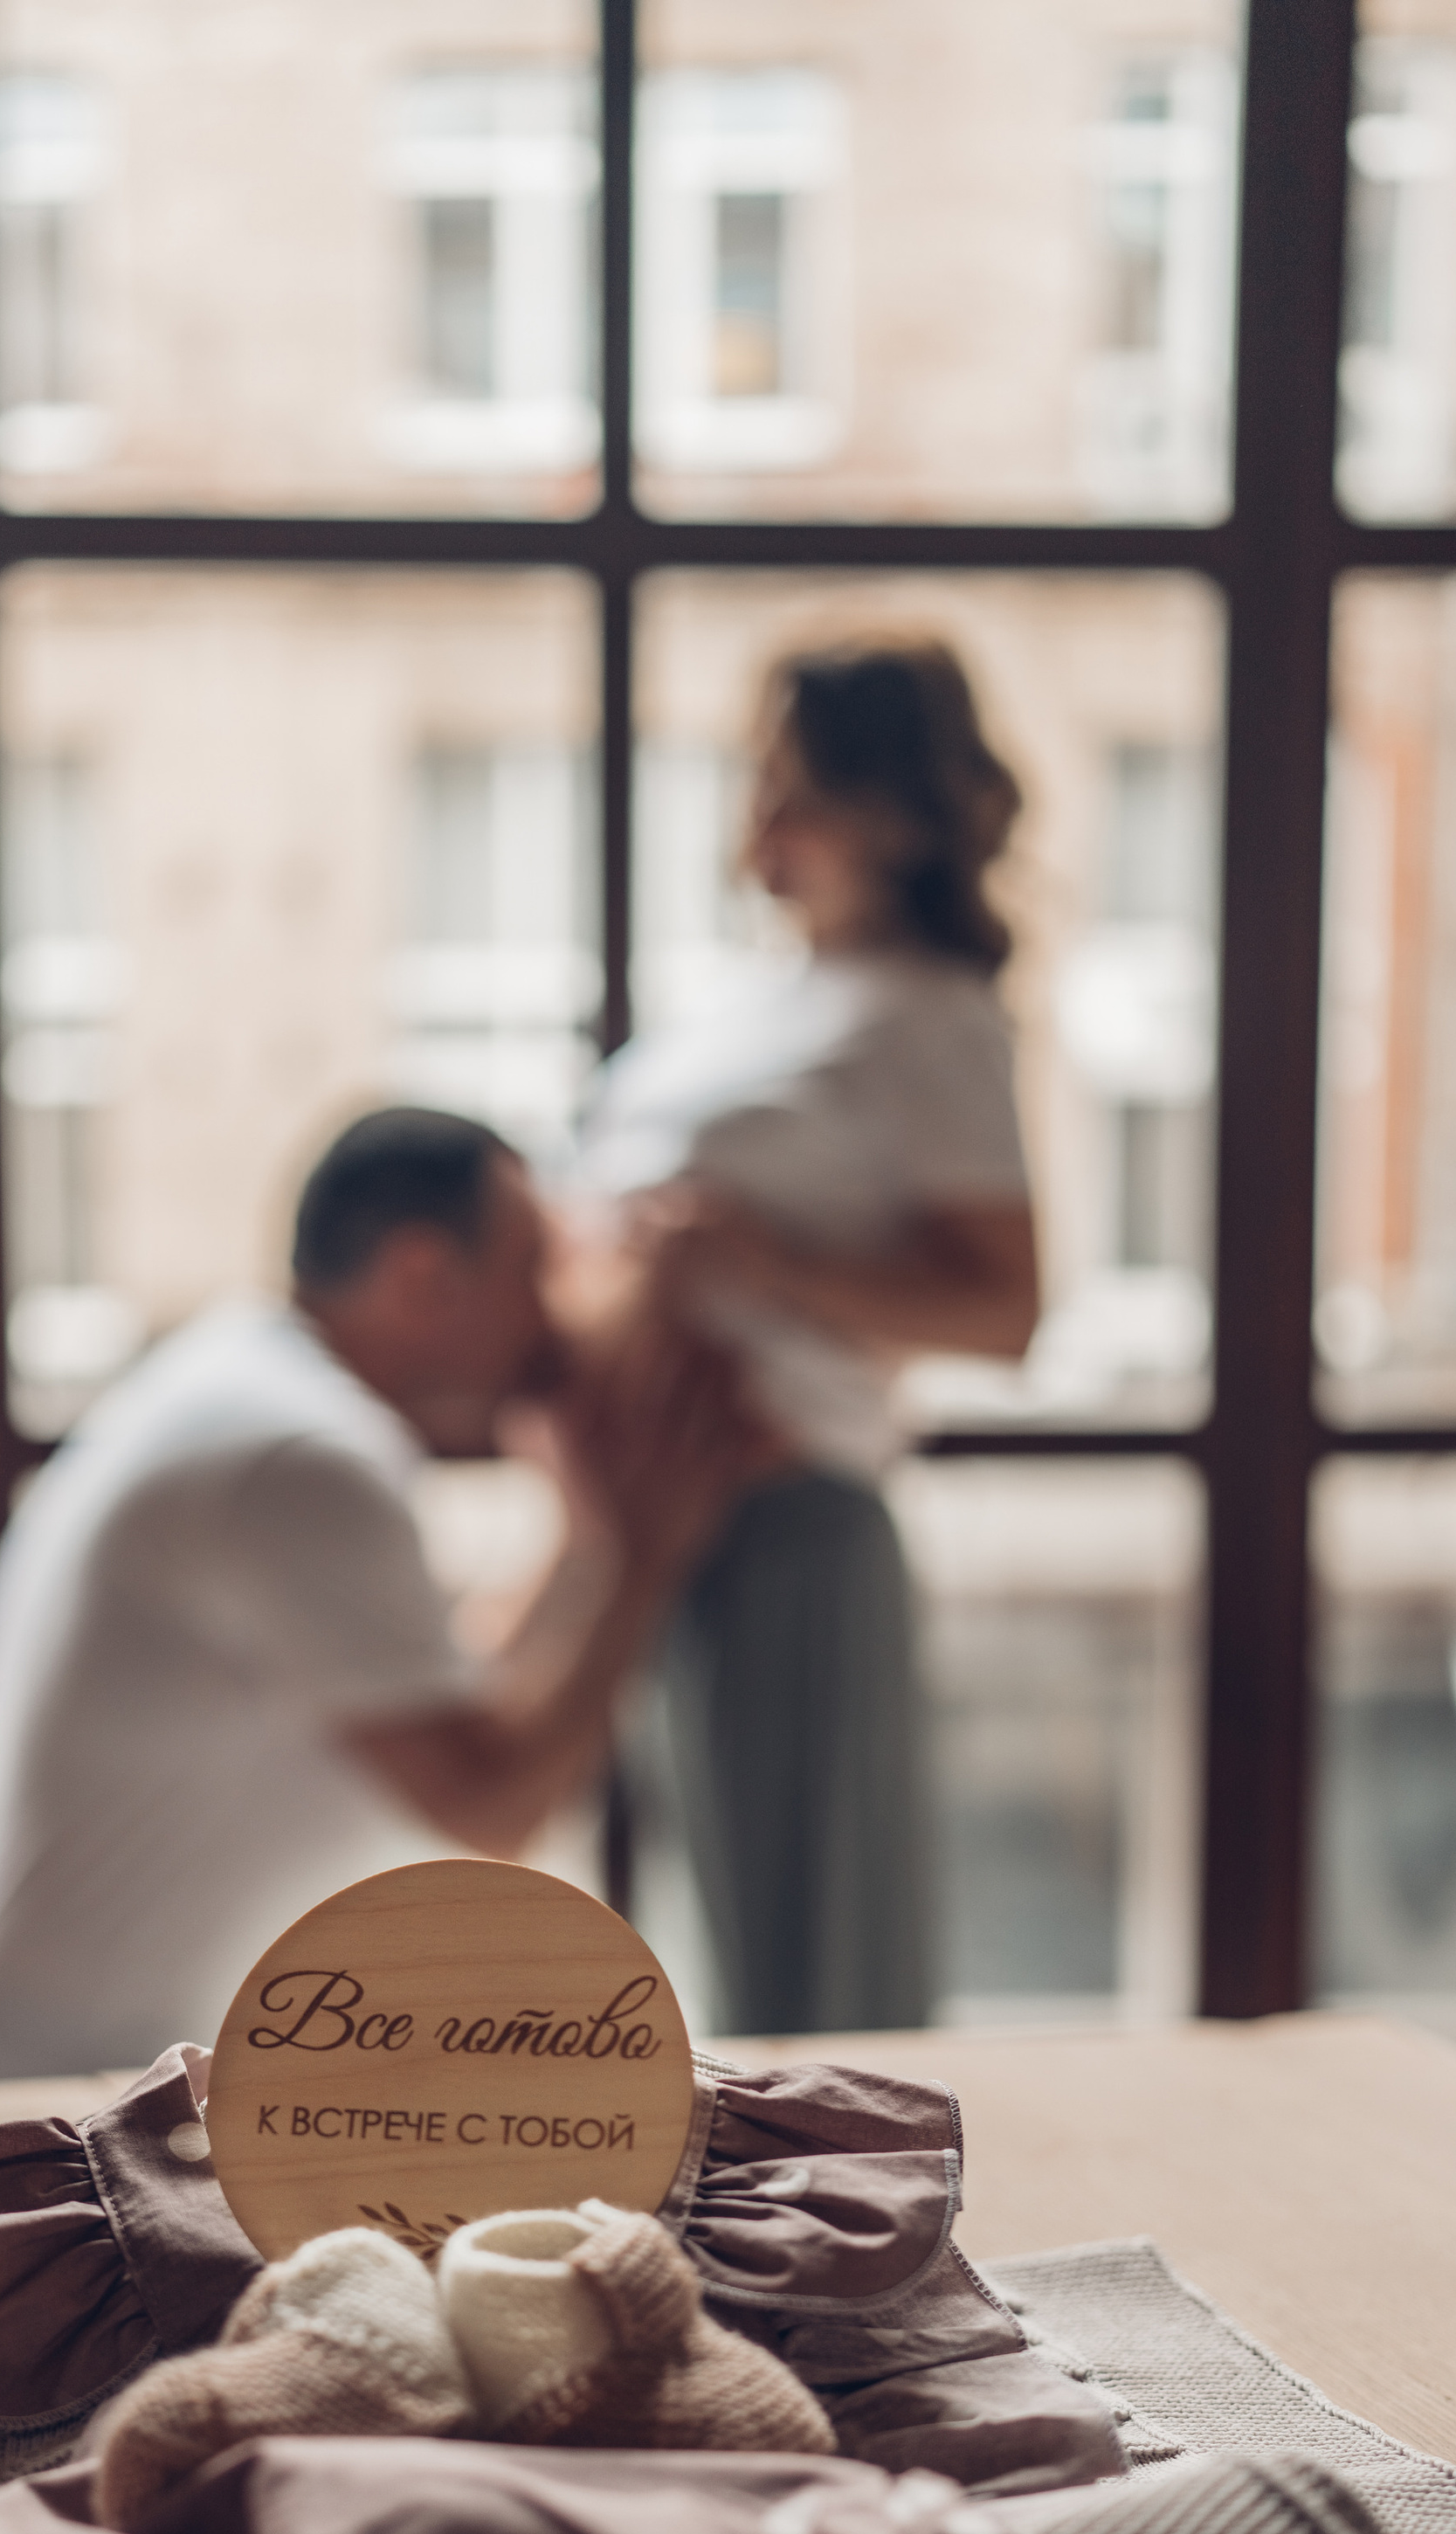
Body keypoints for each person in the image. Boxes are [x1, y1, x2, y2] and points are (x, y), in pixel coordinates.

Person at [0, 1104, 755, 2082]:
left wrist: (593, 1537)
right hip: (49, 2092)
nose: (555, 1314)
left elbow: (456, 1694)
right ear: (424, 1275)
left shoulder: (247, 1383)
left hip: (33, 2046)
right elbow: (494, 1807)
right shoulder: (301, 1462)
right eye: (533, 1267)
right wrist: (645, 1559)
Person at [578, 639, 1041, 2036]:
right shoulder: (752, 1004)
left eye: (797, 793)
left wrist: (757, 1259)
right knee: (712, 1967)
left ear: (896, 813)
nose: (757, 831)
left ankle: (851, 2253)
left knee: (811, 1979)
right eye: (754, 788)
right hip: (675, 1518)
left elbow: (1003, 1309)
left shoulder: (933, 1021)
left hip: (793, 1523)